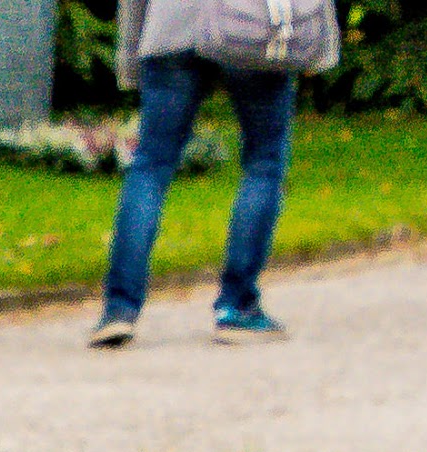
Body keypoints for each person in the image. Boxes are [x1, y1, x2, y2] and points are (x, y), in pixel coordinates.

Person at [93, 0, 331, 345]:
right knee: (264, 163)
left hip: (171, 29)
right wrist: (320, 48)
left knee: (150, 165)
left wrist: (133, 59)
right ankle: (237, 308)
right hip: (252, 25)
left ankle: (119, 310)